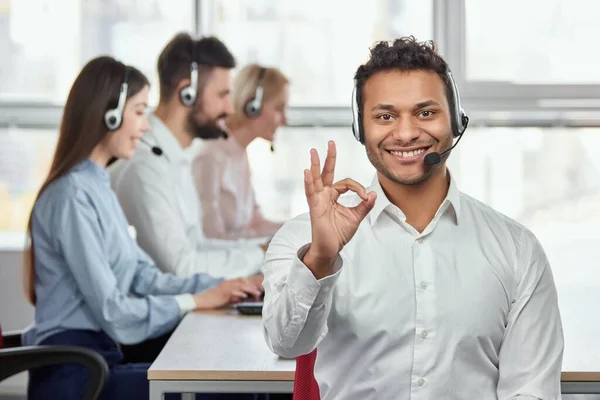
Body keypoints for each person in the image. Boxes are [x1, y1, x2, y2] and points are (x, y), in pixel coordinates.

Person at [262, 37, 564, 399]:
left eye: (425, 112)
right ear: (361, 128)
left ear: (455, 121)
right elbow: (287, 343)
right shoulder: (302, 238)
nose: (405, 133)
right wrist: (320, 260)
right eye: (385, 116)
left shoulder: (516, 250)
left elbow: (531, 392)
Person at [22, 56, 263, 400]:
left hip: (100, 359)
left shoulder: (98, 187)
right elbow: (113, 311)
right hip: (76, 375)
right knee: (229, 392)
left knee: (239, 377)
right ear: (109, 114)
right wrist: (193, 301)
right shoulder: (72, 196)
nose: (146, 125)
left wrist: (226, 287)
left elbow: (144, 277)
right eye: (138, 112)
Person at [109, 33, 267, 280]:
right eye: (222, 95)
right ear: (187, 93)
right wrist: (260, 256)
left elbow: (197, 246)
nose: (230, 109)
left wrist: (264, 251)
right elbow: (180, 267)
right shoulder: (145, 167)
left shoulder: (178, 158)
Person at [192, 64, 289, 240]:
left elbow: (256, 221)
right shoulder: (210, 155)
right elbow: (211, 237)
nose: (285, 120)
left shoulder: (239, 152)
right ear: (252, 105)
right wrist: (262, 246)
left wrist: (304, 228)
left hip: (242, 258)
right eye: (278, 108)